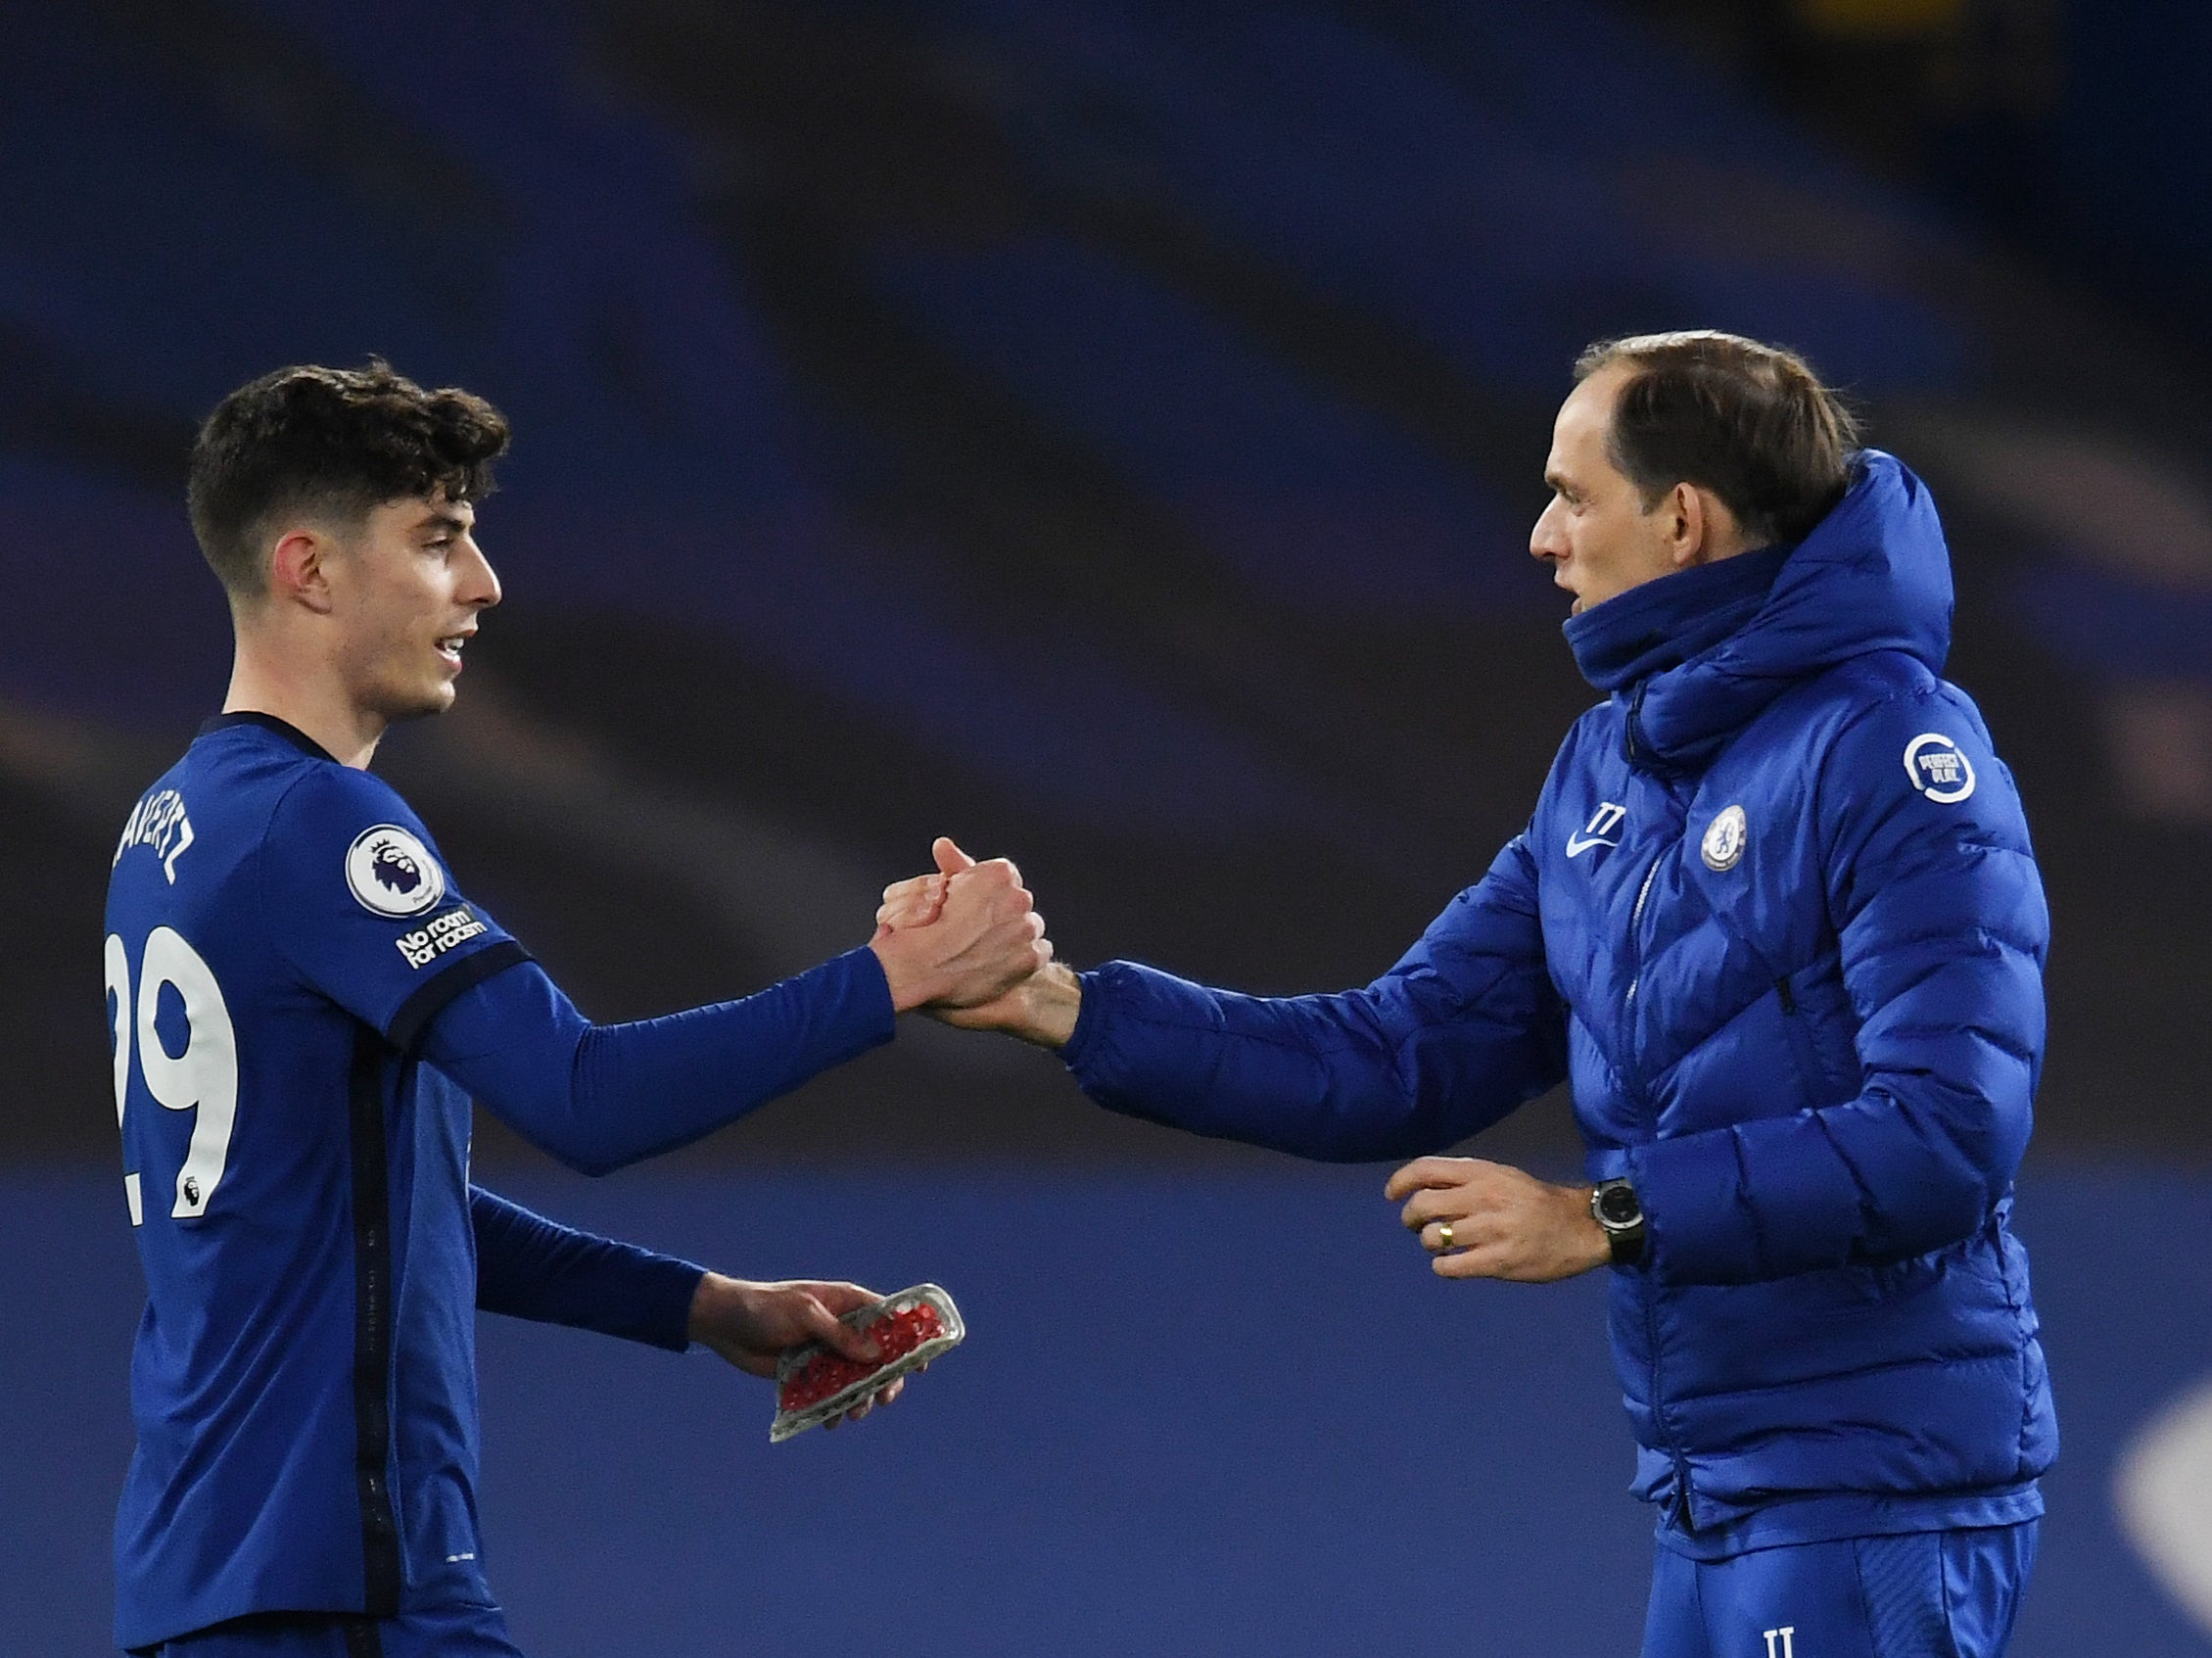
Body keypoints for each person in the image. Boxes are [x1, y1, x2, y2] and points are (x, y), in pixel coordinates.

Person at [885, 332, 2055, 1658]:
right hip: (1721, 1488)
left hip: (1871, 1494)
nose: (1545, 537)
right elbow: (1402, 1051)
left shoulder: (1898, 756)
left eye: (1573, 494)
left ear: (1682, 520)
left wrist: (1600, 1214)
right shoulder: (1613, 763)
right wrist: (1069, 1008)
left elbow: (1945, 1134)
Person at [103, 361, 1052, 1658]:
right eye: (439, 541)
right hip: (343, 1587)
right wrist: (895, 979)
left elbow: (358, 1204)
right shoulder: (315, 819)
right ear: (310, 569)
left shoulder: (174, 825)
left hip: (216, 1581)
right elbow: (583, 1094)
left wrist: (707, 1302)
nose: (483, 584)